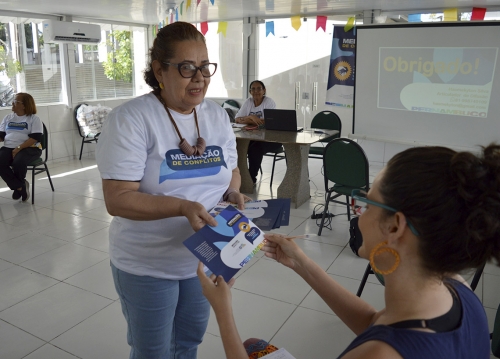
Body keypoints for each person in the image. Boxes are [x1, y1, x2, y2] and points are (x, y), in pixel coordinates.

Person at [198, 144, 500, 359]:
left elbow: (380, 341)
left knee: (250, 345)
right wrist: (301, 262)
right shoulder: (457, 289)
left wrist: (222, 311)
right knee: (254, 344)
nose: (359, 215)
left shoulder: (379, 354)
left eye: (367, 203)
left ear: (395, 227)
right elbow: (375, 324)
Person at [96, 22, 250, 359]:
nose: (199, 77)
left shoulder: (217, 116)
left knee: (189, 343)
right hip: (147, 263)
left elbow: (232, 170)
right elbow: (117, 199)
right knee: (153, 351)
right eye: (186, 67)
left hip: (205, 258)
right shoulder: (131, 119)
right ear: (159, 71)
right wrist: (182, 207)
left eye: (205, 66)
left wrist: (232, 194)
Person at [235, 80, 282, 184]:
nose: (256, 91)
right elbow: (237, 119)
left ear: (264, 90)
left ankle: (250, 179)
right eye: (253, 89)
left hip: (271, 139)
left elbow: (266, 122)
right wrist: (251, 117)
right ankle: (238, 176)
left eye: (259, 88)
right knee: (239, 145)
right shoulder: (248, 102)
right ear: (250, 91)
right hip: (253, 137)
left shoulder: (269, 102)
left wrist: (247, 120)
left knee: (255, 148)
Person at [0, 93, 43, 202]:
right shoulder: (8, 118)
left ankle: (17, 187)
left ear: (24, 105)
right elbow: (1, 136)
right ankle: (20, 186)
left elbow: (35, 138)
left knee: (18, 162)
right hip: (9, 147)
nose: (12, 103)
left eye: (16, 101)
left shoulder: (34, 119)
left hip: (30, 148)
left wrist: (19, 148)